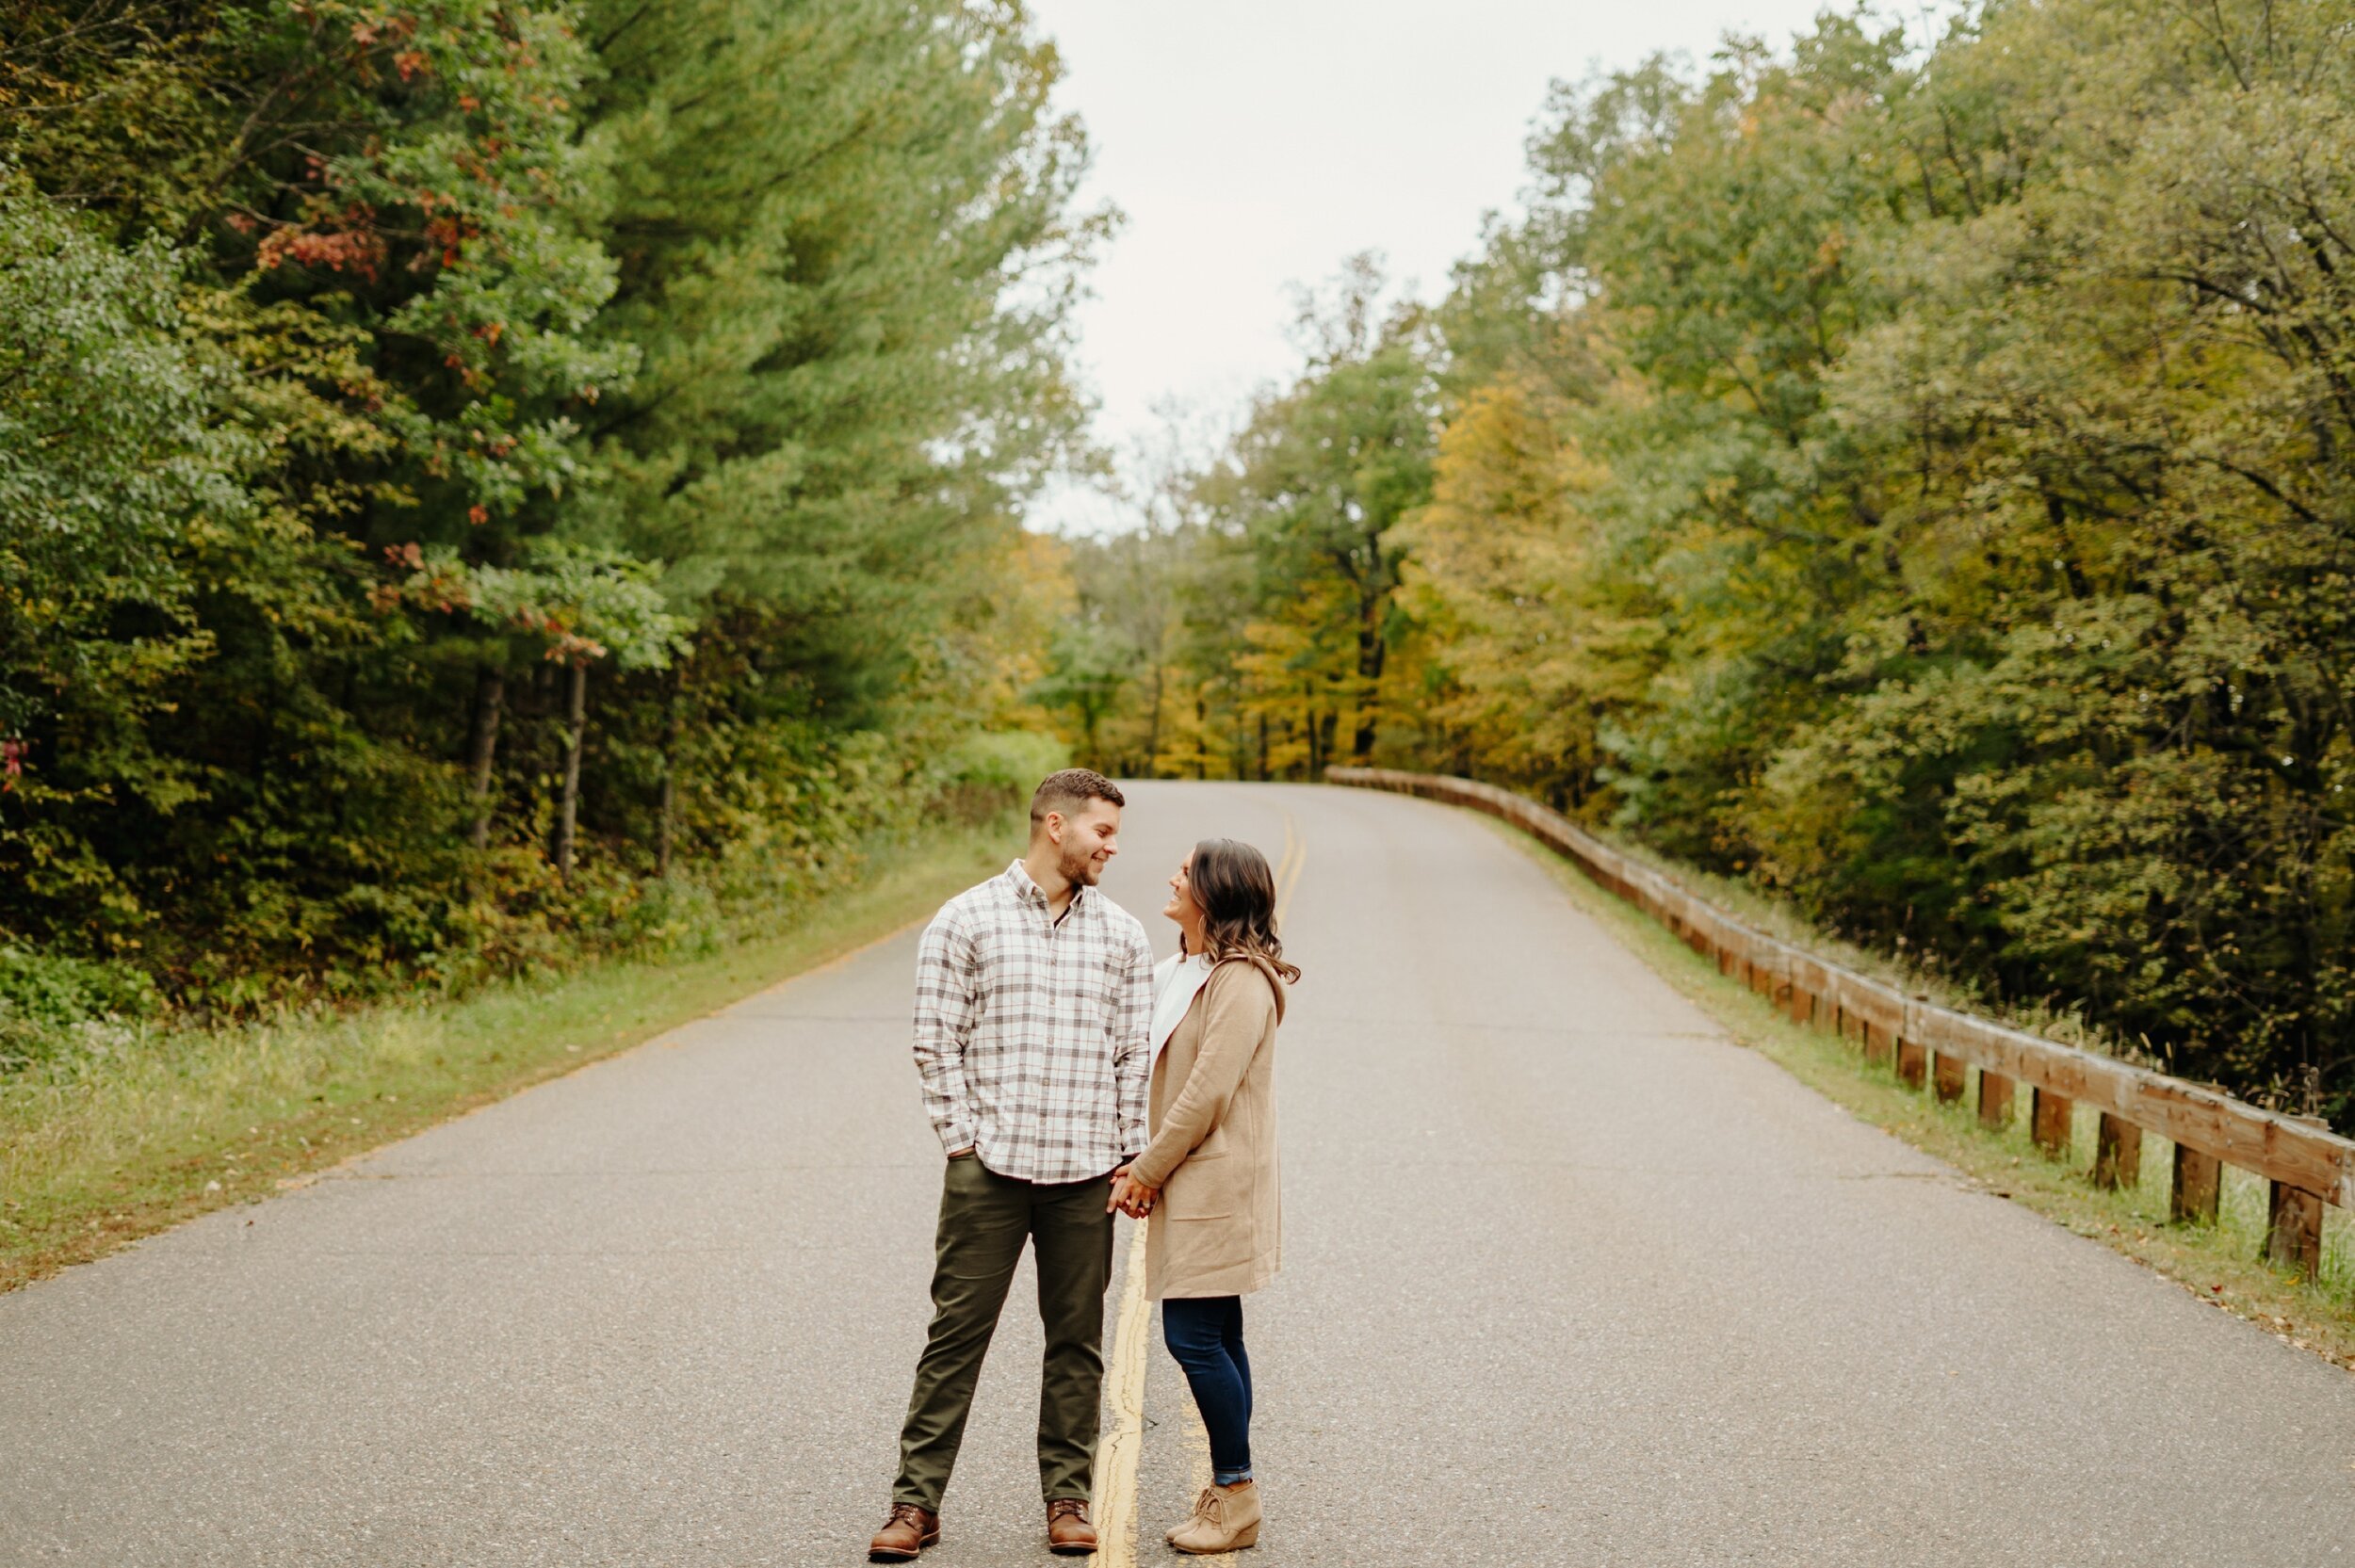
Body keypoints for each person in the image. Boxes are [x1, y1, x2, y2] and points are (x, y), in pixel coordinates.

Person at [869, 769, 1156, 1562]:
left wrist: (1130, 1158)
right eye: (1102, 831)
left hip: (1085, 1174)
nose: (1113, 846)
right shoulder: (966, 917)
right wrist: (961, 1142)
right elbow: (935, 1039)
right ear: (1055, 824)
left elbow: (1134, 1056)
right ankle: (914, 1504)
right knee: (955, 1338)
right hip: (988, 1171)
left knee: (1077, 1342)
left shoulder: (1124, 935)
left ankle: (1068, 1499)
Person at [1108, 838, 1298, 1556]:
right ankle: (1233, 1491)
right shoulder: (1190, 971)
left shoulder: (1240, 981)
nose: (1171, 876)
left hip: (1216, 1182)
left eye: (1185, 872)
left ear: (1213, 893)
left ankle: (1236, 1493)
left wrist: (1145, 1171)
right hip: (1200, 1180)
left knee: (1192, 1338)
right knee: (1219, 1336)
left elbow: (1204, 1094)